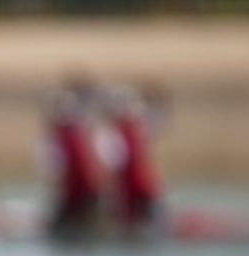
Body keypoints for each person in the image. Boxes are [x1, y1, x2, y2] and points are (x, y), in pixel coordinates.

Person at [37, 86, 102, 240]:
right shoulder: (82, 133)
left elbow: (58, 175)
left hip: (78, 196)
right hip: (87, 195)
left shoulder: (59, 140)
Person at [97, 85, 164, 235]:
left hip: (134, 195)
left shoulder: (112, 134)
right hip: (148, 191)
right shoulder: (137, 128)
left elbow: (114, 173)